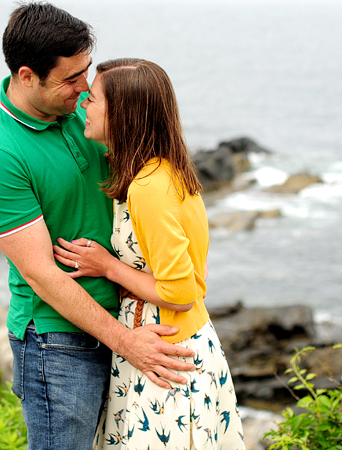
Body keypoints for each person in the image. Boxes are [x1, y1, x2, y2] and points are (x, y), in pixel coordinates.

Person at [0, 3, 195, 450]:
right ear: (27, 75)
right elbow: (41, 274)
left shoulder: (84, 115)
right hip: (59, 341)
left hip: (127, 318)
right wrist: (128, 343)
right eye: (70, 79)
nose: (85, 89)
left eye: (86, 71)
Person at [54, 58, 245, 449]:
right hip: (175, 341)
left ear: (123, 115)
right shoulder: (166, 170)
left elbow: (181, 289)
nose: (83, 105)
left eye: (93, 99)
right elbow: (199, 267)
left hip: (164, 351)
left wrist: (106, 266)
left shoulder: (149, 188)